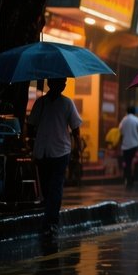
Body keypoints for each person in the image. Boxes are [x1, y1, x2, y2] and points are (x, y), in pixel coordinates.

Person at [26, 78, 82, 231]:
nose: (63, 85)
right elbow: (76, 130)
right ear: (50, 84)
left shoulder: (42, 103)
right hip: (52, 151)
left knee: (53, 188)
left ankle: (51, 222)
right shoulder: (62, 103)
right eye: (61, 82)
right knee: (50, 189)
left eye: (64, 82)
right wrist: (78, 148)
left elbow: (30, 127)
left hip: (51, 152)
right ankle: (50, 221)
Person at [118, 105, 138, 188]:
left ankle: (127, 179)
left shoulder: (123, 120)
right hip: (134, 145)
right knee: (133, 162)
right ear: (134, 111)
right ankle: (132, 178)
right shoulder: (137, 120)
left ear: (127, 111)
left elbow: (120, 132)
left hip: (125, 145)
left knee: (127, 163)